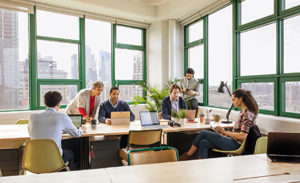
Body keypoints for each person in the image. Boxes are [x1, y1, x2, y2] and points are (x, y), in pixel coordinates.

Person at [180, 88, 259, 160]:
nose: (233, 102)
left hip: (236, 145)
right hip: (232, 141)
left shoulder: (247, 114)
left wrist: (224, 132)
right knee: (204, 142)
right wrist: (225, 133)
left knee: (203, 133)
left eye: (234, 100)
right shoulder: (243, 112)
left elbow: (243, 136)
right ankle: (201, 165)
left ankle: (187, 156)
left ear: (241, 98)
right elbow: (238, 132)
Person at [28, 91, 86, 169]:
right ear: (59, 103)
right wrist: (82, 130)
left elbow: (31, 132)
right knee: (71, 153)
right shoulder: (61, 116)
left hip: (34, 160)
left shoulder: (33, 116)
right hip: (54, 160)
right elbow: (77, 134)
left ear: (44, 103)